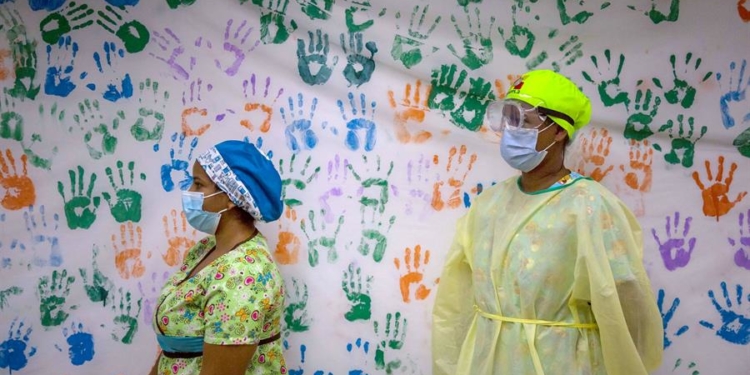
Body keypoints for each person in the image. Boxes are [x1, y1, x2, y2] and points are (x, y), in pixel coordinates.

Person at [432, 70, 663, 375]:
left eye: (524, 121)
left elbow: (627, 305)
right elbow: (457, 298)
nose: (511, 130)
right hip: (486, 362)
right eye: (508, 119)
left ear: (558, 131)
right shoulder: (489, 205)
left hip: (560, 362)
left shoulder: (589, 206)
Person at [148, 140, 287, 375]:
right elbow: (175, 347)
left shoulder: (243, 276)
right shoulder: (205, 249)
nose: (189, 193)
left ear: (231, 196)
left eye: (198, 184)